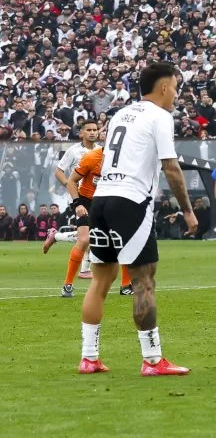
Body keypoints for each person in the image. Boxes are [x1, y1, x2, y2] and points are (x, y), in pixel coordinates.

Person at [78, 62, 197, 376]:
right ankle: (153, 360)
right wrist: (187, 209)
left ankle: (88, 357)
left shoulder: (121, 113)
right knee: (144, 281)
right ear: (162, 87)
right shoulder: (160, 116)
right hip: (131, 201)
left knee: (101, 279)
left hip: (102, 199)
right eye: (175, 86)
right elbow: (170, 167)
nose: (176, 93)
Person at [65, 147, 133, 297]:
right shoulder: (91, 157)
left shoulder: (126, 158)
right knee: (84, 239)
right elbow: (71, 181)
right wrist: (78, 204)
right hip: (86, 201)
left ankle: (126, 285)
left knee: (124, 239)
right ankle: (67, 285)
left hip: (110, 201)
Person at [45, 120, 100, 284]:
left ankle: (57, 236)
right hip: (79, 197)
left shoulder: (100, 151)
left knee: (92, 234)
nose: (92, 132)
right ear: (81, 133)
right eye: (88, 130)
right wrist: (69, 184)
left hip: (97, 196)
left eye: (95, 130)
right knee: (89, 233)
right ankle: (84, 269)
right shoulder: (73, 151)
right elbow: (59, 171)